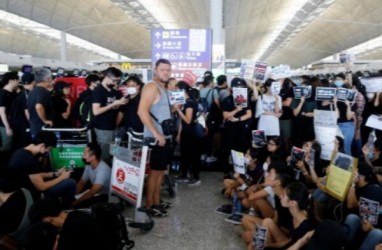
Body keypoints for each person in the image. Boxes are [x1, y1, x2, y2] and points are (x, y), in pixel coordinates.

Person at [138, 59, 174, 217]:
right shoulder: (151, 86)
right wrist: (156, 133)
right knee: (154, 172)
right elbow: (141, 111)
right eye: (163, 69)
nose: (166, 72)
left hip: (165, 137)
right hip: (157, 138)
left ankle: (157, 201)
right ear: (155, 70)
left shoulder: (163, 88)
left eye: (168, 70)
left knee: (161, 172)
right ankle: (149, 204)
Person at [8, 131, 76, 209]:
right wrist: (62, 177)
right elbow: (41, 187)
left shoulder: (20, 152)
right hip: (29, 194)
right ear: (42, 146)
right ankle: (65, 209)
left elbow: (34, 174)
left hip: (23, 189)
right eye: (49, 149)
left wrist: (55, 174)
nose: (48, 151)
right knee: (71, 183)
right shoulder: (29, 159)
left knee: (58, 179)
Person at [92, 67, 128, 161]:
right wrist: (113, 104)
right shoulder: (98, 91)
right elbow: (96, 111)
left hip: (112, 126)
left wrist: (119, 103)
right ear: (107, 77)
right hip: (102, 128)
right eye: (114, 80)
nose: (115, 83)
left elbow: (115, 106)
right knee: (105, 155)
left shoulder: (113, 91)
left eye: (118, 81)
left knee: (111, 154)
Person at [344, 162, 382, 250]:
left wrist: (371, 228)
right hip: (364, 222)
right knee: (352, 217)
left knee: (378, 233)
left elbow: (350, 205)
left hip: (376, 232)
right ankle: (343, 245)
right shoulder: (371, 190)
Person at [173, 81, 201, 186]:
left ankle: (196, 177)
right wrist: (179, 134)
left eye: (176, 90)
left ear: (182, 90)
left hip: (191, 133)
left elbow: (188, 120)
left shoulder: (190, 102)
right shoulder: (184, 103)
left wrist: (178, 110)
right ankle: (184, 175)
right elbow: (181, 121)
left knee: (192, 155)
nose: (175, 92)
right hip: (185, 132)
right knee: (184, 154)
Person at [73, 143, 110, 208]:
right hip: (96, 192)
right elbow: (81, 183)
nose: (82, 156)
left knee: (80, 204)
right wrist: (71, 196)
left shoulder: (103, 170)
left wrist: (76, 202)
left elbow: (93, 191)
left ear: (93, 157)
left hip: (105, 195)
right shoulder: (89, 165)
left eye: (85, 154)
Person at [9, 72, 35, 151]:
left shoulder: (21, 94)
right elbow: (26, 111)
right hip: (23, 125)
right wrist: (32, 124)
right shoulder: (26, 94)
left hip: (17, 124)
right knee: (23, 146)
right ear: (34, 82)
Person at [27, 67, 54, 138]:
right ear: (47, 79)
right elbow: (38, 106)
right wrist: (45, 120)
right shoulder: (44, 92)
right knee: (43, 148)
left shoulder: (32, 92)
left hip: (34, 126)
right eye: (51, 78)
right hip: (42, 127)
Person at [0, 71, 19, 164]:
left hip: (14, 124)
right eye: (17, 79)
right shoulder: (3, 93)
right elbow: (2, 112)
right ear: (11, 80)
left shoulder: (14, 93)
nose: (18, 81)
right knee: (7, 146)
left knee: (12, 146)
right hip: (5, 125)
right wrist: (7, 127)